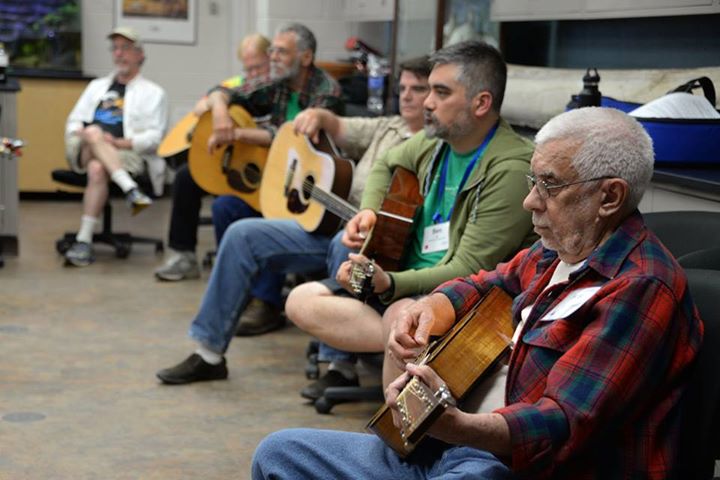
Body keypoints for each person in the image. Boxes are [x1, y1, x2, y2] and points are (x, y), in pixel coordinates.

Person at [251, 107, 704, 480]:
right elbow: (486, 282)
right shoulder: (557, 251)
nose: (530, 201)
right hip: (453, 445)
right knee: (279, 454)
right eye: (532, 181)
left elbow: (563, 422)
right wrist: (429, 308)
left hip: (515, 465)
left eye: (548, 185)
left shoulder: (641, 287)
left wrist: (458, 426)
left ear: (609, 197)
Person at [155, 56, 433, 384]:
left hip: (377, 247)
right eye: (402, 88)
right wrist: (317, 115)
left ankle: (338, 367)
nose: (408, 96)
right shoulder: (387, 126)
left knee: (341, 246)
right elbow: (339, 125)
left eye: (419, 89)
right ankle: (208, 354)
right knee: (240, 234)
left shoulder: (436, 147)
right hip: (332, 223)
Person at [286, 40, 536, 400]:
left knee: (404, 316)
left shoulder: (510, 167)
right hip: (404, 276)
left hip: (454, 295)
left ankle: (395, 440)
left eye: (440, 92)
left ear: (481, 103)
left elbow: (470, 267)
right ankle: (416, 347)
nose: (427, 102)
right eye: (428, 90)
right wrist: (371, 212)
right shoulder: (438, 142)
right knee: (301, 299)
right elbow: (387, 163)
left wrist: (389, 285)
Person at [154, 23, 343, 281]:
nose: (273, 57)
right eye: (272, 51)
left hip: (301, 182)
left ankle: (263, 299)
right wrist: (221, 115)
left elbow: (293, 139)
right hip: (265, 164)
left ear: (306, 57)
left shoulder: (326, 91)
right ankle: (225, 278)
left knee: (237, 207)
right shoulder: (278, 83)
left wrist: (237, 134)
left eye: (281, 52)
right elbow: (222, 92)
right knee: (199, 185)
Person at [63, 27, 168, 267]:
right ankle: (131, 189)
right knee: (92, 131)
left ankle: (84, 240)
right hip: (84, 148)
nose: (119, 54)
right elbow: (73, 122)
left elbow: (154, 138)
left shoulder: (154, 93)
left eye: (126, 48)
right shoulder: (96, 87)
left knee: (98, 169)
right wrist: (88, 134)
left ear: (140, 55)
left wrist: (118, 142)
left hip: (127, 153)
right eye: (116, 48)